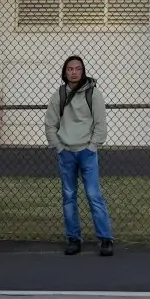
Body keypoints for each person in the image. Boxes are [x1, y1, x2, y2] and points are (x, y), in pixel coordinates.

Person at [44, 55, 114, 257]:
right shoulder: (59, 94)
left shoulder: (94, 94)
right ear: (65, 72)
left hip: (87, 152)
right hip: (66, 152)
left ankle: (105, 238)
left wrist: (93, 146)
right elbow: (50, 123)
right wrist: (58, 146)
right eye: (70, 69)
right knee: (69, 196)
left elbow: (100, 124)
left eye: (77, 69)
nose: (73, 72)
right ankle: (73, 238)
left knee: (94, 195)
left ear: (83, 72)